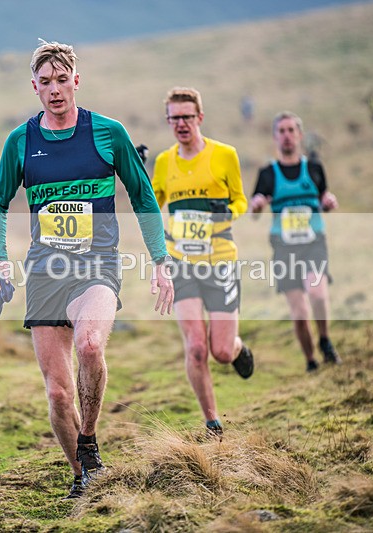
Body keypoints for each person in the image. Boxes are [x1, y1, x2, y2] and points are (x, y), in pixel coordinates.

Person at [0, 40, 174, 499]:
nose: (55, 89)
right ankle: (83, 475)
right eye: (45, 82)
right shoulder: (20, 141)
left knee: (89, 345)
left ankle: (88, 440)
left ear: (76, 80)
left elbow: (143, 196)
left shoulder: (108, 133)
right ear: (34, 87)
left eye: (61, 80)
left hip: (97, 266)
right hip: (45, 273)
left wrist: (160, 260)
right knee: (57, 394)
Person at [151, 87, 254, 435]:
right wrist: (135, 173)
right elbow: (151, 203)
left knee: (220, 351)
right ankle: (213, 424)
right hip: (181, 263)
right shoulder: (164, 162)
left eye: (187, 117)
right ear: (168, 120)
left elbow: (241, 201)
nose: (181, 124)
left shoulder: (225, 155)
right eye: (174, 118)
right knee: (196, 348)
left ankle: (238, 349)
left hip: (220, 260)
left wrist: (226, 212)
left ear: (200, 117)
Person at [250, 111, 340, 373]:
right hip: (284, 248)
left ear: (299, 135)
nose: (287, 136)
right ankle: (311, 361)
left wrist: (329, 202)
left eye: (291, 130)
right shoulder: (268, 173)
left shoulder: (313, 168)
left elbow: (324, 198)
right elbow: (255, 208)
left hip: (314, 243)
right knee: (299, 313)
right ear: (275, 136)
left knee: (317, 294)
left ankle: (325, 339)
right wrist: (257, 205)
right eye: (282, 131)